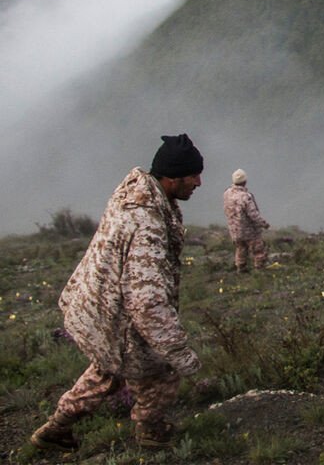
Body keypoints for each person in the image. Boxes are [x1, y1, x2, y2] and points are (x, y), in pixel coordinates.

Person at [30, 134, 204, 453]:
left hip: (97, 307)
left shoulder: (134, 194)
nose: (199, 182)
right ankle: (152, 432)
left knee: (107, 371)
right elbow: (147, 303)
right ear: (172, 177)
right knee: (159, 369)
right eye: (193, 175)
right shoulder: (148, 225)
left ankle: (56, 429)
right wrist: (181, 355)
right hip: (118, 317)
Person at [223, 168, 270, 272]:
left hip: (234, 230)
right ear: (245, 181)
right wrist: (264, 224)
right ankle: (259, 270)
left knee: (240, 249)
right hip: (249, 230)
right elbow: (253, 214)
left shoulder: (227, 194)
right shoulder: (245, 197)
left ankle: (241, 268)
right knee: (258, 250)